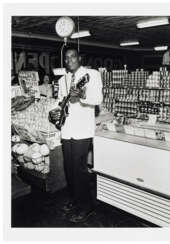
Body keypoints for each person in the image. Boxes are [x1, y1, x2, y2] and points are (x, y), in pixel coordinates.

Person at [50, 48, 103, 223]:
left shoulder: (91, 75)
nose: (70, 60)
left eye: (73, 56)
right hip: (66, 130)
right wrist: (55, 113)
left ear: (79, 58)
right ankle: (76, 200)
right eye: (66, 58)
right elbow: (60, 103)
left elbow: (97, 99)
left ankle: (87, 207)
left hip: (83, 130)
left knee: (79, 170)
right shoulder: (62, 79)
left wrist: (81, 94)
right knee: (69, 169)